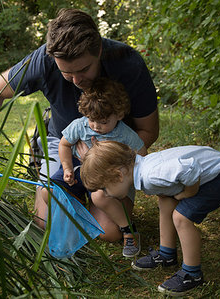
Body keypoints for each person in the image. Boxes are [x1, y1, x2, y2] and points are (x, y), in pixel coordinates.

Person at [0, 8, 159, 242]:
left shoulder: (128, 64)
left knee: (109, 232)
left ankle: (85, 200)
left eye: (83, 69)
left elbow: (148, 131)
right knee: (45, 222)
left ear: (98, 50)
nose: (77, 81)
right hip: (63, 141)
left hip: (115, 149)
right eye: (66, 73)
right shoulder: (43, 61)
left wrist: (103, 156)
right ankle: (70, 191)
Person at [80, 141, 220, 296]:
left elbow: (190, 169)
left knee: (181, 217)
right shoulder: (143, 170)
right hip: (213, 168)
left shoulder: (151, 175)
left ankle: (192, 274)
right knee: (165, 199)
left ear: (118, 175)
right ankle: (166, 254)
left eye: (104, 188)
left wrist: (189, 193)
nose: (105, 194)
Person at [42, 77, 146, 257]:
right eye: (92, 120)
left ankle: (128, 229)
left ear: (119, 115)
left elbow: (142, 156)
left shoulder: (124, 134)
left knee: (105, 220)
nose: (97, 126)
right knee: (47, 191)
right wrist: (67, 168)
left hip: (106, 179)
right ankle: (78, 211)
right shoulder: (80, 126)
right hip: (78, 171)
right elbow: (64, 144)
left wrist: (121, 167)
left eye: (104, 122)